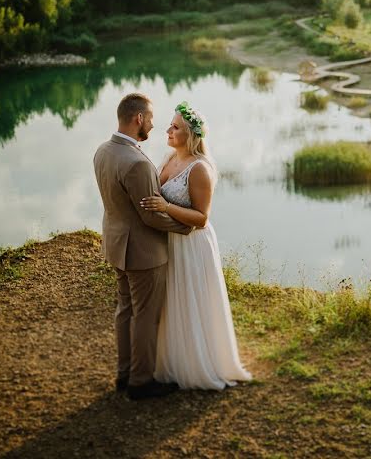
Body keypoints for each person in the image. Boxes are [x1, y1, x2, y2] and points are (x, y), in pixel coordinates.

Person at [140, 101, 252, 390]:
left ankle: (198, 364)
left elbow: (202, 218)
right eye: (170, 124)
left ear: (190, 135)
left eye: (175, 127)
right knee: (171, 303)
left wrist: (165, 206)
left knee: (190, 302)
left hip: (191, 245)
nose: (167, 130)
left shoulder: (200, 169)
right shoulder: (168, 158)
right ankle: (172, 363)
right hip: (168, 243)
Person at [93, 93, 192, 401]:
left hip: (115, 244)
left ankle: (123, 375)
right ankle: (140, 381)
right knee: (146, 316)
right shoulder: (136, 162)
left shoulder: (103, 151)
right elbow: (150, 217)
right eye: (150, 119)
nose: (152, 124)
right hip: (143, 253)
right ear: (138, 119)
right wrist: (186, 227)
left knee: (125, 311)